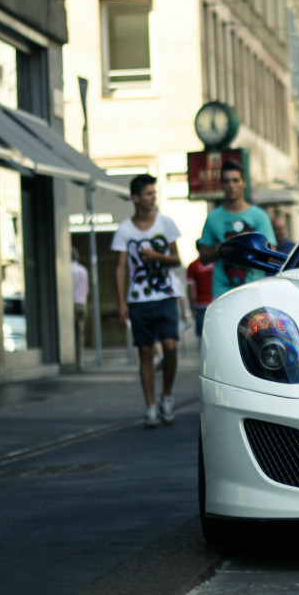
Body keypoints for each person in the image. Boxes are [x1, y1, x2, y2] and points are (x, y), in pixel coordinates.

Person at [111, 173, 184, 428]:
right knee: (144, 351)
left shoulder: (165, 223)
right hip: (139, 299)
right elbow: (120, 267)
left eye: (154, 193)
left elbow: (177, 259)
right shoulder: (125, 229)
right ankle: (151, 405)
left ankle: (167, 396)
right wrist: (121, 302)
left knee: (171, 347)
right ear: (135, 198)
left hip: (164, 294)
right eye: (149, 193)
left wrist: (157, 257)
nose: (154, 198)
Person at [197, 160, 276, 299]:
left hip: (254, 289)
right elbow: (203, 257)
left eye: (235, 180)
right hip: (223, 290)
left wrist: (249, 244)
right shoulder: (213, 217)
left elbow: (272, 255)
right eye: (226, 181)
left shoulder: (259, 216)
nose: (231, 186)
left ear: (243, 183)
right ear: (221, 185)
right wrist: (224, 247)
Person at [186, 240, 214, 337]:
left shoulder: (192, 266)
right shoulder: (216, 264)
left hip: (201, 303)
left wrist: (191, 306)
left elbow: (190, 288)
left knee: (203, 335)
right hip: (213, 301)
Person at [70, 247, 89, 369]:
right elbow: (86, 288)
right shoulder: (83, 270)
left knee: (69, 334)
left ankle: (71, 360)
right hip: (82, 303)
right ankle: (79, 361)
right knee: (80, 334)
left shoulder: (67, 270)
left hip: (71, 304)